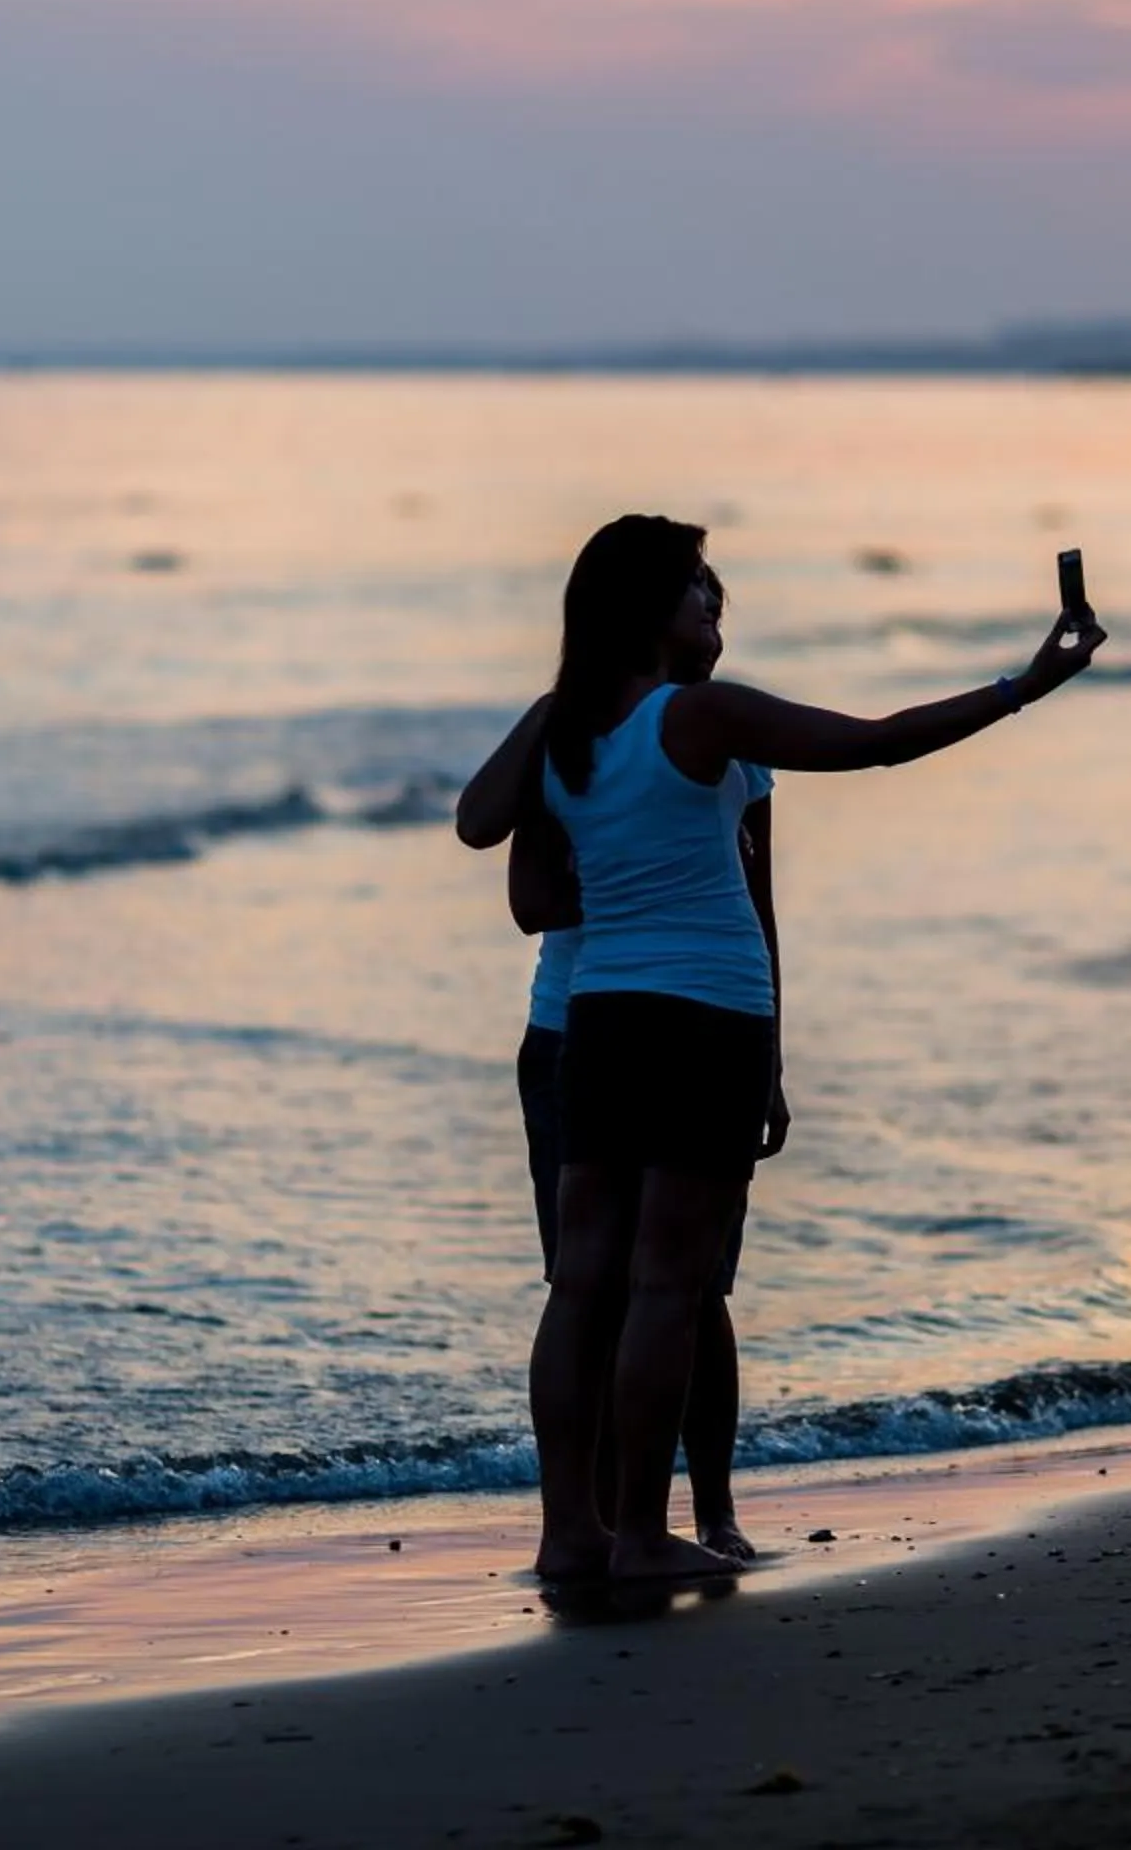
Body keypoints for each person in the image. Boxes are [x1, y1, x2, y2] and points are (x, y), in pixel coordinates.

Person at [526, 513, 1103, 1581]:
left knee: (581, 1283)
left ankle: (573, 1534)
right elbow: (877, 741)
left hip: (597, 1016)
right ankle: (644, 1536)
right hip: (703, 1014)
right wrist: (1026, 684)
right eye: (697, 585)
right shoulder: (700, 715)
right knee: (668, 1286)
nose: (712, 601)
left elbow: (494, 838)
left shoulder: (563, 730)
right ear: (651, 608)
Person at [454, 583, 778, 1562]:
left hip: (713, 1021)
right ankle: (594, 1524)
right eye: (699, 603)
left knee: (695, 1289)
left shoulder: (734, 745)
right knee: (591, 1285)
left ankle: (711, 1511)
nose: (716, 625)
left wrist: (771, 1054)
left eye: (722, 609)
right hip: (576, 1029)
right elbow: (525, 894)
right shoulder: (574, 737)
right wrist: (645, 876)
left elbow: (756, 908)